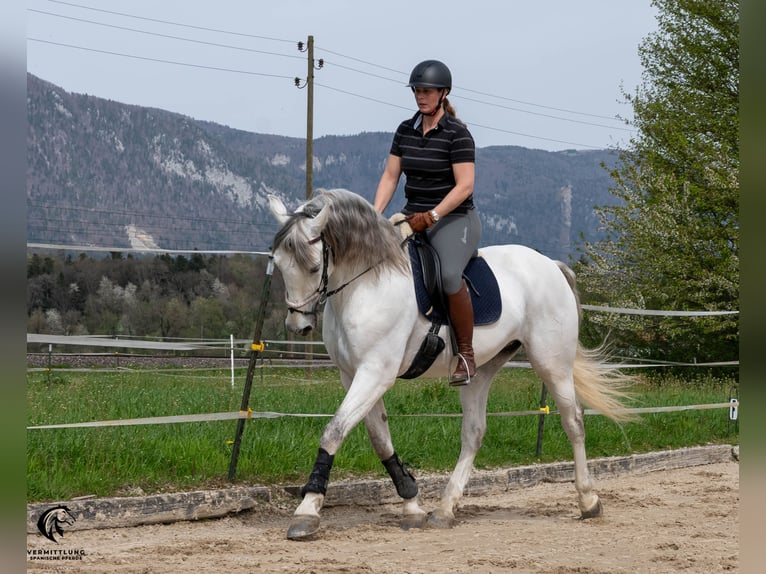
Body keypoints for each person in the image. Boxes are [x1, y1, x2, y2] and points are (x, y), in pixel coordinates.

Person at [374, 59, 481, 385]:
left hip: (454, 219)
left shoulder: (457, 134)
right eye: (417, 91)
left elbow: (465, 186)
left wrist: (433, 215)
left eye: (427, 91)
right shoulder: (405, 130)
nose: (421, 96)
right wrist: (373, 216)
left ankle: (465, 354)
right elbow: (391, 176)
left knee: (449, 275)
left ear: (442, 93)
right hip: (411, 216)